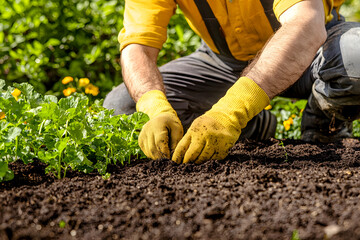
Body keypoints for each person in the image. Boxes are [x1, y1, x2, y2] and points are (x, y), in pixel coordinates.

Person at [104, 0, 360, 164]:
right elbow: (137, 47)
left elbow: (306, 24)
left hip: (314, 48)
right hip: (224, 61)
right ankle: (255, 128)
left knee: (356, 58)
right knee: (123, 107)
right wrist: (154, 107)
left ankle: (325, 126)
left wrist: (232, 111)